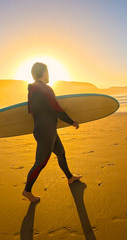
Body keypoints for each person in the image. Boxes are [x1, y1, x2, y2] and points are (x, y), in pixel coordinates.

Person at [22, 62, 82, 202]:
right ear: (42, 72)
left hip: (46, 129)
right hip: (45, 131)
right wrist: (71, 122)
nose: (49, 75)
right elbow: (56, 108)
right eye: (47, 71)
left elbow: (30, 110)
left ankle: (70, 178)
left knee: (61, 153)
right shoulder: (44, 88)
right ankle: (27, 191)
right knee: (41, 162)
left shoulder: (32, 90)